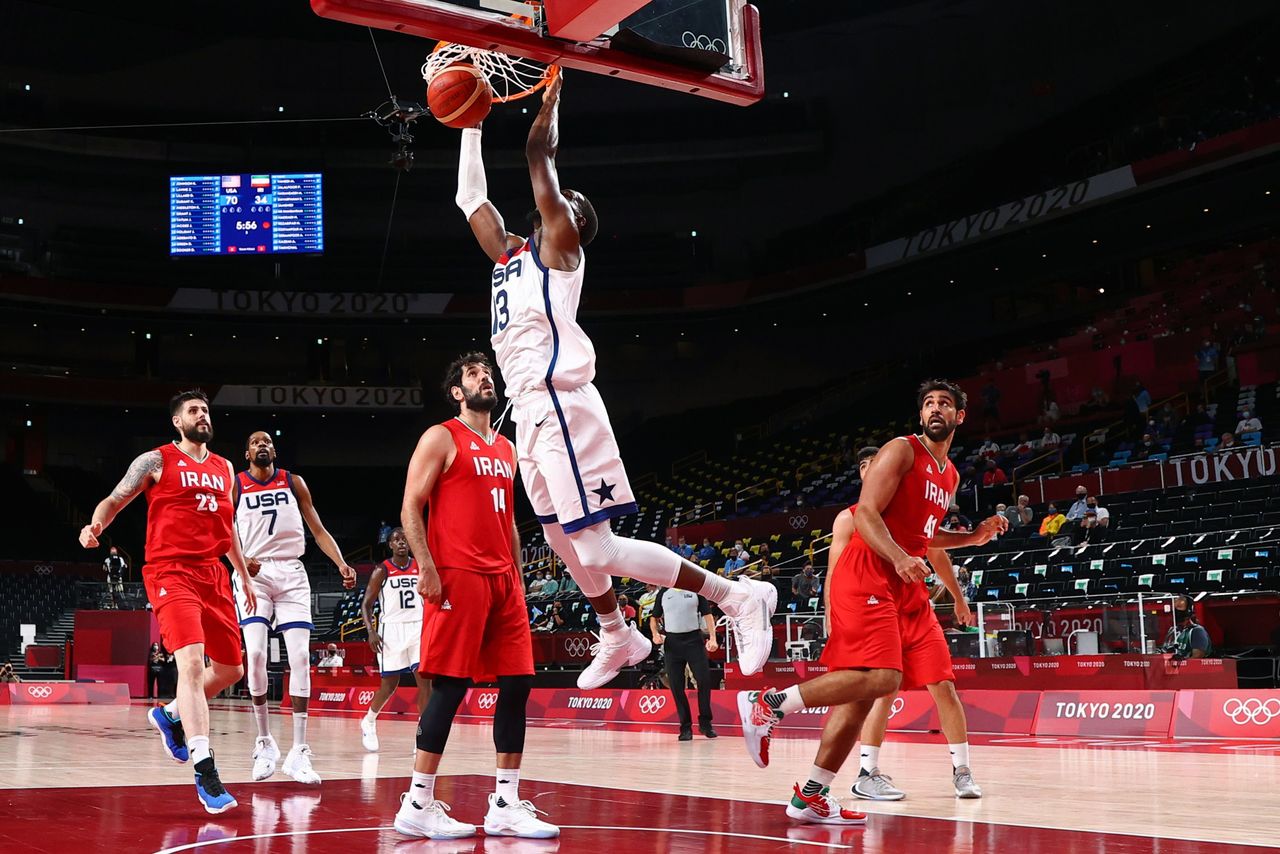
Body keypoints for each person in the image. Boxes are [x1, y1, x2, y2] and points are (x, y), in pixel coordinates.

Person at [456, 73, 775, 690]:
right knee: (559, 538)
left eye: (567, 205)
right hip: (526, 412)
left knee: (598, 549)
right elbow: (472, 200)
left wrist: (552, 95)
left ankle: (735, 595)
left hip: (565, 407)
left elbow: (536, 155)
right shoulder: (511, 256)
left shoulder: (562, 253)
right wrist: (469, 122)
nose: (559, 204)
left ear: (573, 225)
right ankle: (616, 632)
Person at [737, 381, 1006, 822]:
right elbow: (865, 513)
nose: (935, 409)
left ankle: (810, 795)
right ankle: (767, 704)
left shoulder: (950, 474)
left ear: (961, 416)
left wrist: (973, 537)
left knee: (859, 697)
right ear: (921, 415)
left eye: (945, 404)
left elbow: (924, 534)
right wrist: (900, 558)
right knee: (884, 679)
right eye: (928, 403)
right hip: (866, 571)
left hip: (895, 581)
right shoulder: (901, 450)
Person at [394, 353, 557, 840]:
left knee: (518, 683)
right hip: (457, 575)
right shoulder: (442, 436)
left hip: (503, 580)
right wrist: (426, 565)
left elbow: (507, 520)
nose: (485, 377)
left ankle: (506, 802)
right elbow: (410, 505)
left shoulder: (506, 448)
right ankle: (418, 802)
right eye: (472, 374)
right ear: (458, 392)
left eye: (488, 372)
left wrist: (520, 577)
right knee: (448, 685)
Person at [79, 389, 254, 814]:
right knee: (191, 664)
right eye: (194, 410)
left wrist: (242, 575)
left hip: (214, 574)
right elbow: (116, 497)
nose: (202, 415)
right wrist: (96, 524)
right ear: (178, 421)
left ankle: (169, 714)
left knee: (232, 668)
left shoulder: (225, 467)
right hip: (170, 571)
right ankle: (205, 768)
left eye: (206, 410)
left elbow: (226, 527)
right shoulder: (155, 460)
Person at [232, 430, 356, 785]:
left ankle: (299, 752)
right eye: (255, 441)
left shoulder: (293, 482)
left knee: (300, 656)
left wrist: (341, 563)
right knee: (254, 653)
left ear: (274, 450)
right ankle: (264, 741)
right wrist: (241, 562)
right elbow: (222, 529)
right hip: (253, 572)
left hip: (291, 571)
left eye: (267, 441)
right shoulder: (237, 485)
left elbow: (317, 529)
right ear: (247, 453)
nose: (262, 445)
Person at [360, 528, 432, 753]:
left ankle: (423, 733)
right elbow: (366, 605)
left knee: (425, 681)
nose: (401, 543)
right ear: (390, 544)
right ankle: (369, 721)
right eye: (396, 540)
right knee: (390, 685)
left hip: (417, 628)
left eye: (404, 539)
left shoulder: (420, 565)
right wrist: (371, 631)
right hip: (390, 631)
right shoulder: (383, 570)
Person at [650, 587, 719, 741]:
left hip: (694, 640)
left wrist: (712, 638)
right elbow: (654, 617)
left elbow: (708, 615)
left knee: (704, 681)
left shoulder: (696, 591)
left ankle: (705, 723)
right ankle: (685, 727)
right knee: (676, 685)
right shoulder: (663, 593)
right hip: (672, 643)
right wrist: (655, 634)